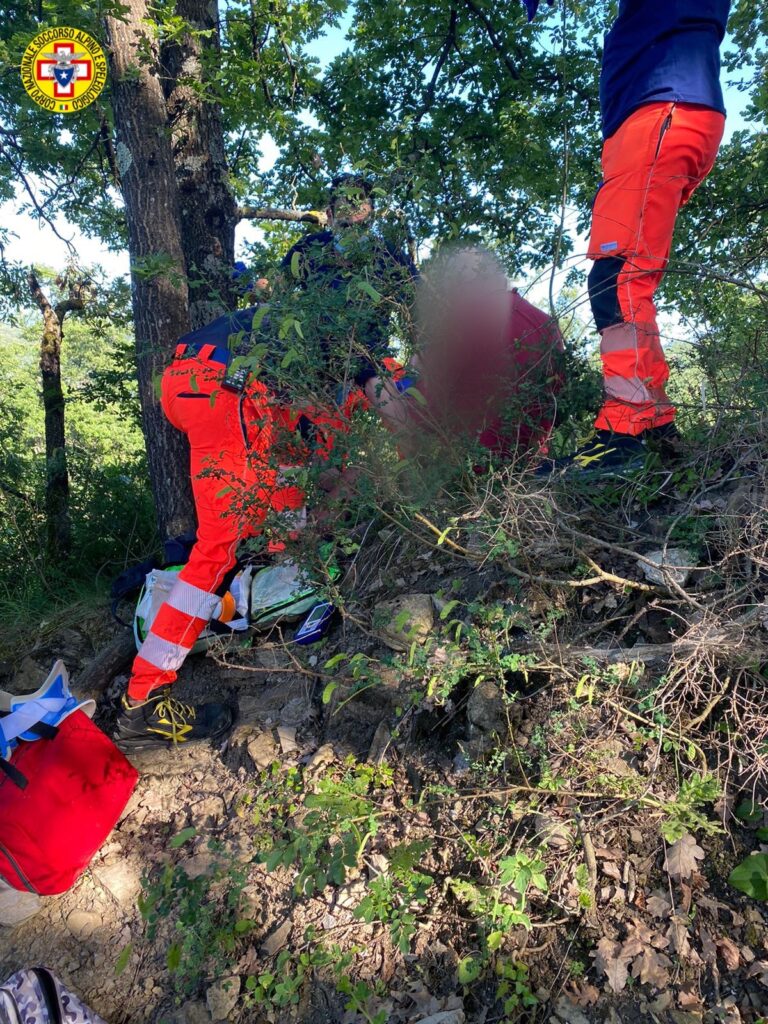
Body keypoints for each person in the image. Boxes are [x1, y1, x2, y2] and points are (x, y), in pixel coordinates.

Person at [114, 176, 415, 749]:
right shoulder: (351, 350)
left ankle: (243, 593)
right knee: (218, 548)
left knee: (259, 513)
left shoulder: (303, 317)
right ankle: (143, 701)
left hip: (186, 379)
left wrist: (308, 515)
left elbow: (308, 469)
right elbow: (360, 445)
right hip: (229, 386)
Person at [531, 0, 730, 474]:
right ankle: (655, 427)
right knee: (629, 278)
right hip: (673, 112)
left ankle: (626, 432)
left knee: (615, 280)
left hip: (658, 109)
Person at [362, 247, 563, 462]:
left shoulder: (460, 325)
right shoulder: (546, 326)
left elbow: (423, 412)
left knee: (375, 382)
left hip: (463, 471)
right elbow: (558, 399)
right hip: (529, 466)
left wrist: (373, 379)